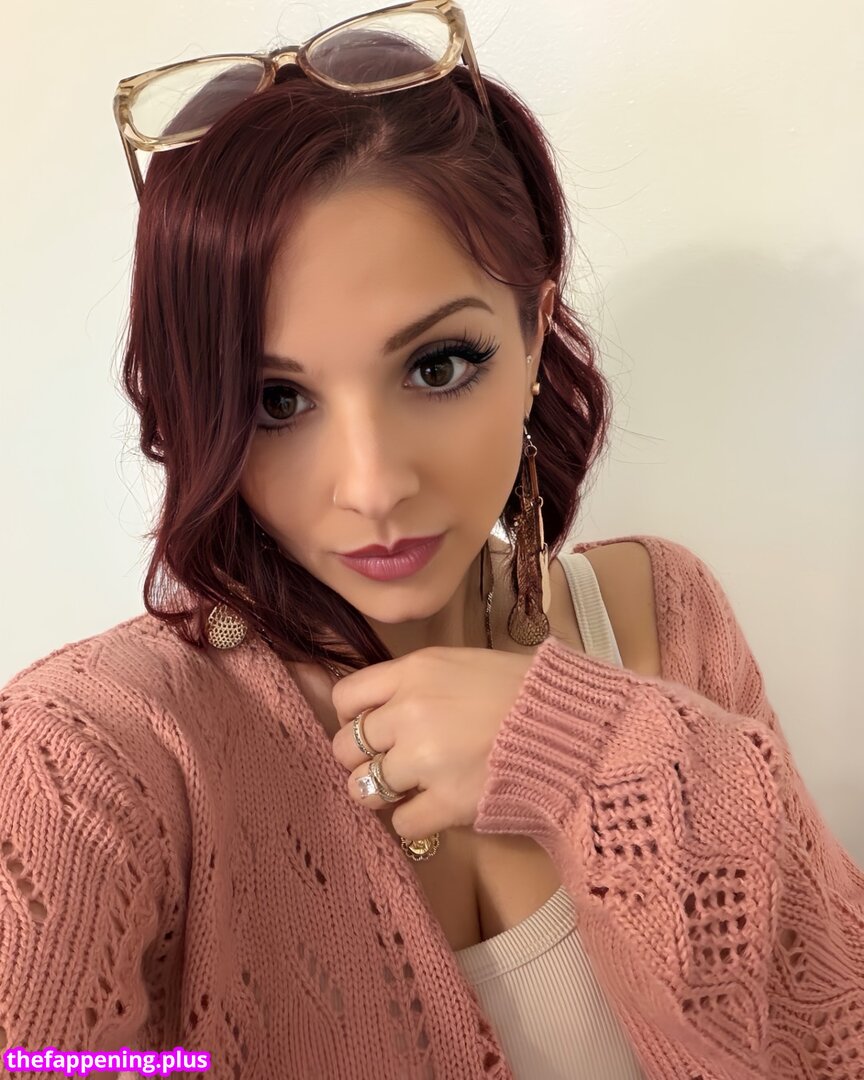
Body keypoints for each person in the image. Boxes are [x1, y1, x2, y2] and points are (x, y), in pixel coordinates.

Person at [1, 3, 862, 1078]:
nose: (372, 486)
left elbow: (830, 1030)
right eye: (274, 400)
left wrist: (597, 753)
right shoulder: (89, 759)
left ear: (535, 330)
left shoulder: (660, 618)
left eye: (438, 365)